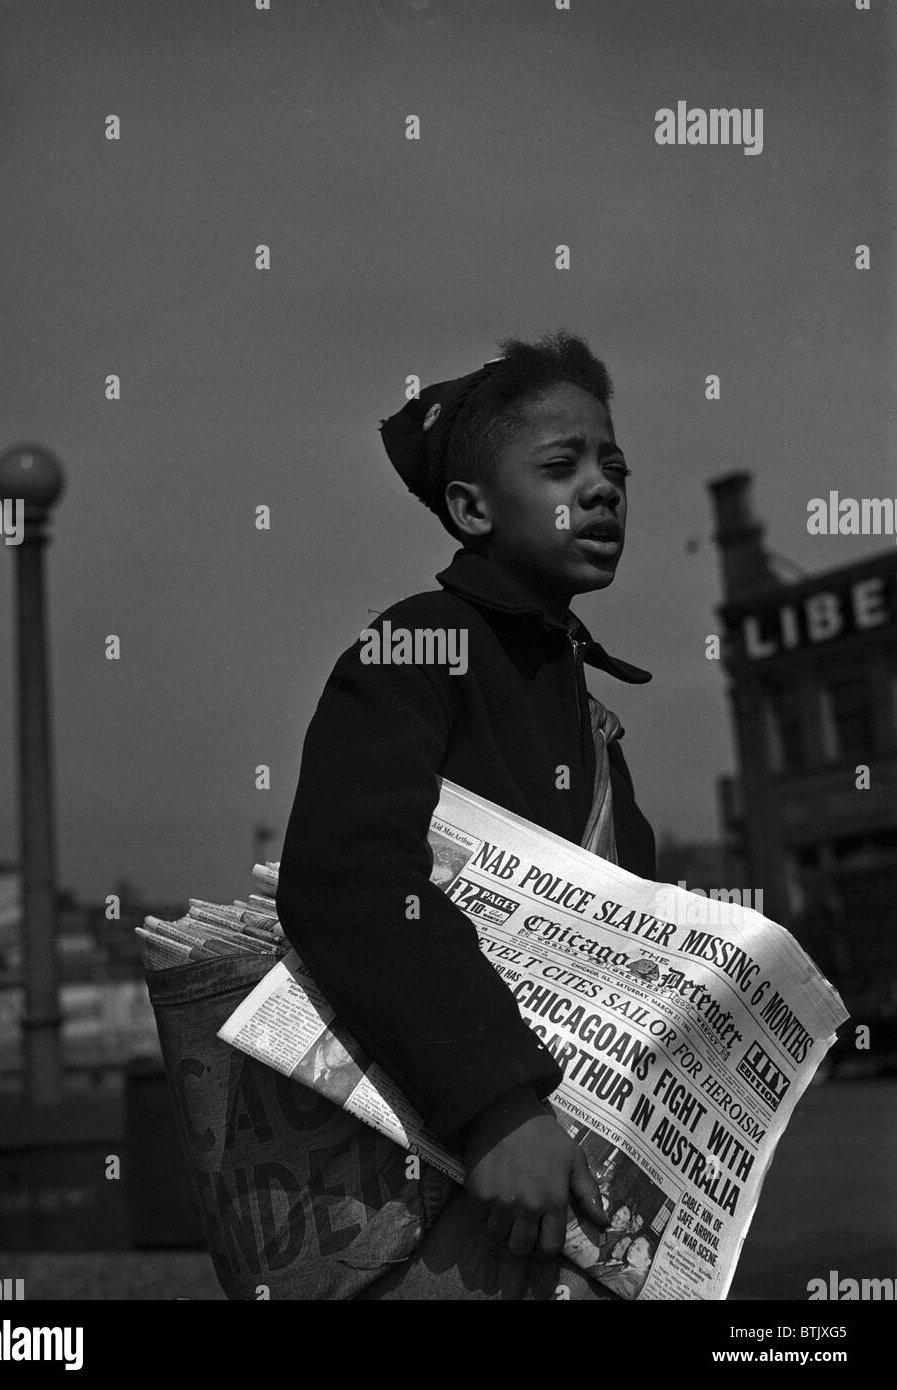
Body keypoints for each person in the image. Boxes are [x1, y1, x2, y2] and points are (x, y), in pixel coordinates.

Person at [275, 332, 658, 1299]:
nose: (604, 486)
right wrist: (496, 1107)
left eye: (612, 464)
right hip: (459, 1182)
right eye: (562, 464)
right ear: (471, 508)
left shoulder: (582, 706)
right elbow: (348, 879)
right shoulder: (416, 642)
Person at [589, 1234, 654, 1300]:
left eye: (638, 1249)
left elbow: (600, 1285)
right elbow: (599, 1270)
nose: (631, 1248)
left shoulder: (633, 1283)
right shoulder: (628, 1266)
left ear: (647, 1262)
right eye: (633, 1244)